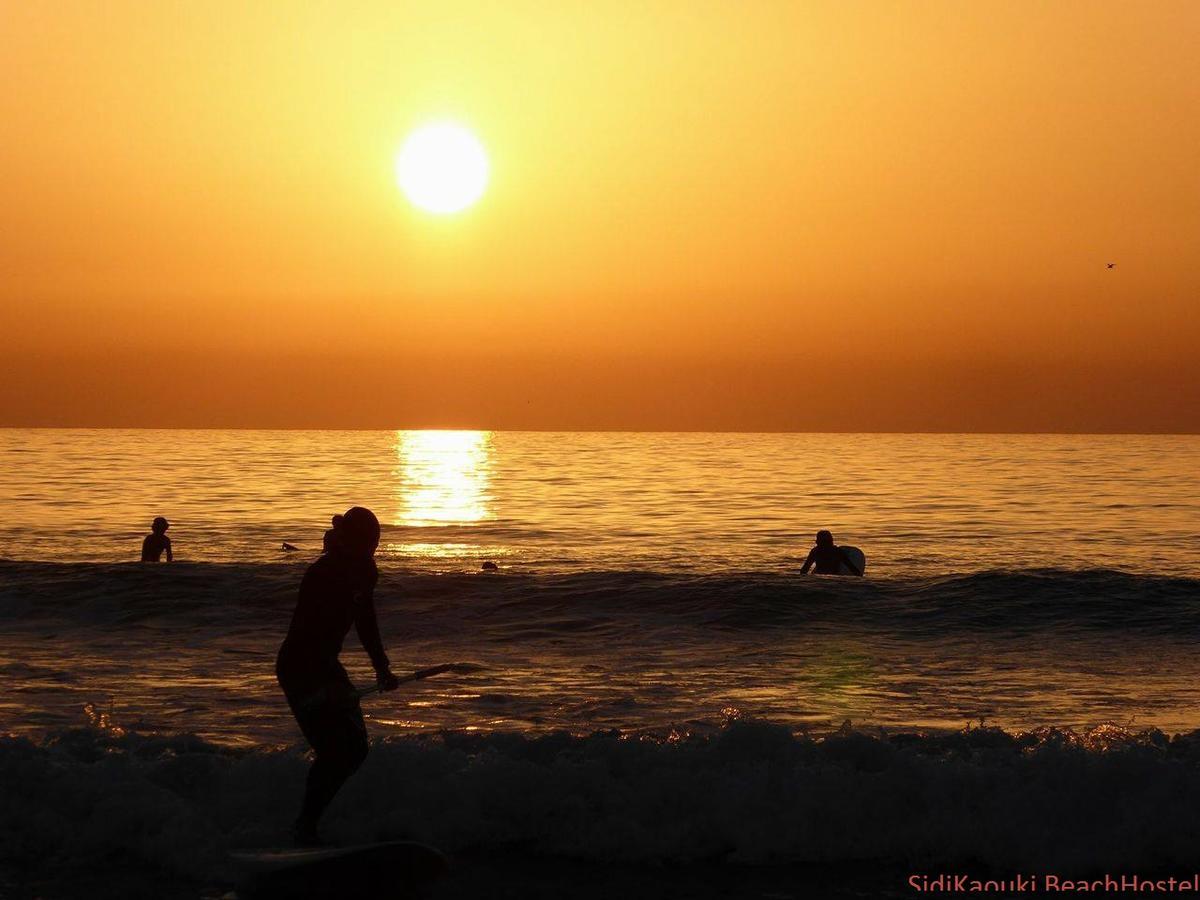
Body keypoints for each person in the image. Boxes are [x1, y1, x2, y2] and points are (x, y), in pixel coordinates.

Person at [276, 506, 400, 846]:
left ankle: (309, 823)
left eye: (373, 544)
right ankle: (303, 828)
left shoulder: (366, 571)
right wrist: (324, 691)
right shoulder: (322, 572)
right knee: (334, 751)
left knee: (356, 748)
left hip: (326, 667)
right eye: (366, 542)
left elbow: (366, 620)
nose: (370, 550)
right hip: (300, 668)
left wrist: (382, 667)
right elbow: (309, 633)